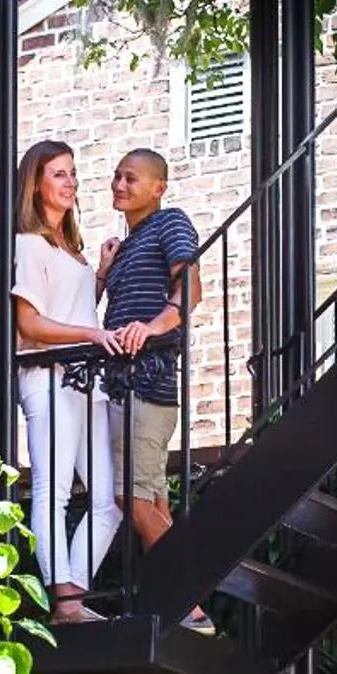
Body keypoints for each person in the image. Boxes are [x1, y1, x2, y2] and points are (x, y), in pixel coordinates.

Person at [95, 148, 213, 634]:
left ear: (159, 187)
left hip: (147, 383)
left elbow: (191, 289)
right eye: (117, 177)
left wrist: (153, 325)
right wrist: (104, 270)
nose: (120, 185)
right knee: (154, 502)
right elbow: (92, 311)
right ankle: (179, 605)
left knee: (131, 497)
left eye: (132, 178)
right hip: (123, 383)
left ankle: (191, 605)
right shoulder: (124, 248)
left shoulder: (170, 224)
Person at [10, 140, 122, 623]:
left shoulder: (68, 250)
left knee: (109, 502)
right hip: (48, 379)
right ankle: (65, 601)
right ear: (36, 184)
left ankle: (74, 593)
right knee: (52, 492)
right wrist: (94, 335)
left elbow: (70, 311)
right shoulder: (28, 244)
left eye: (72, 173)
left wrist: (98, 274)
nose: (70, 181)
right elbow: (31, 326)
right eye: (59, 173)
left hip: (83, 380)